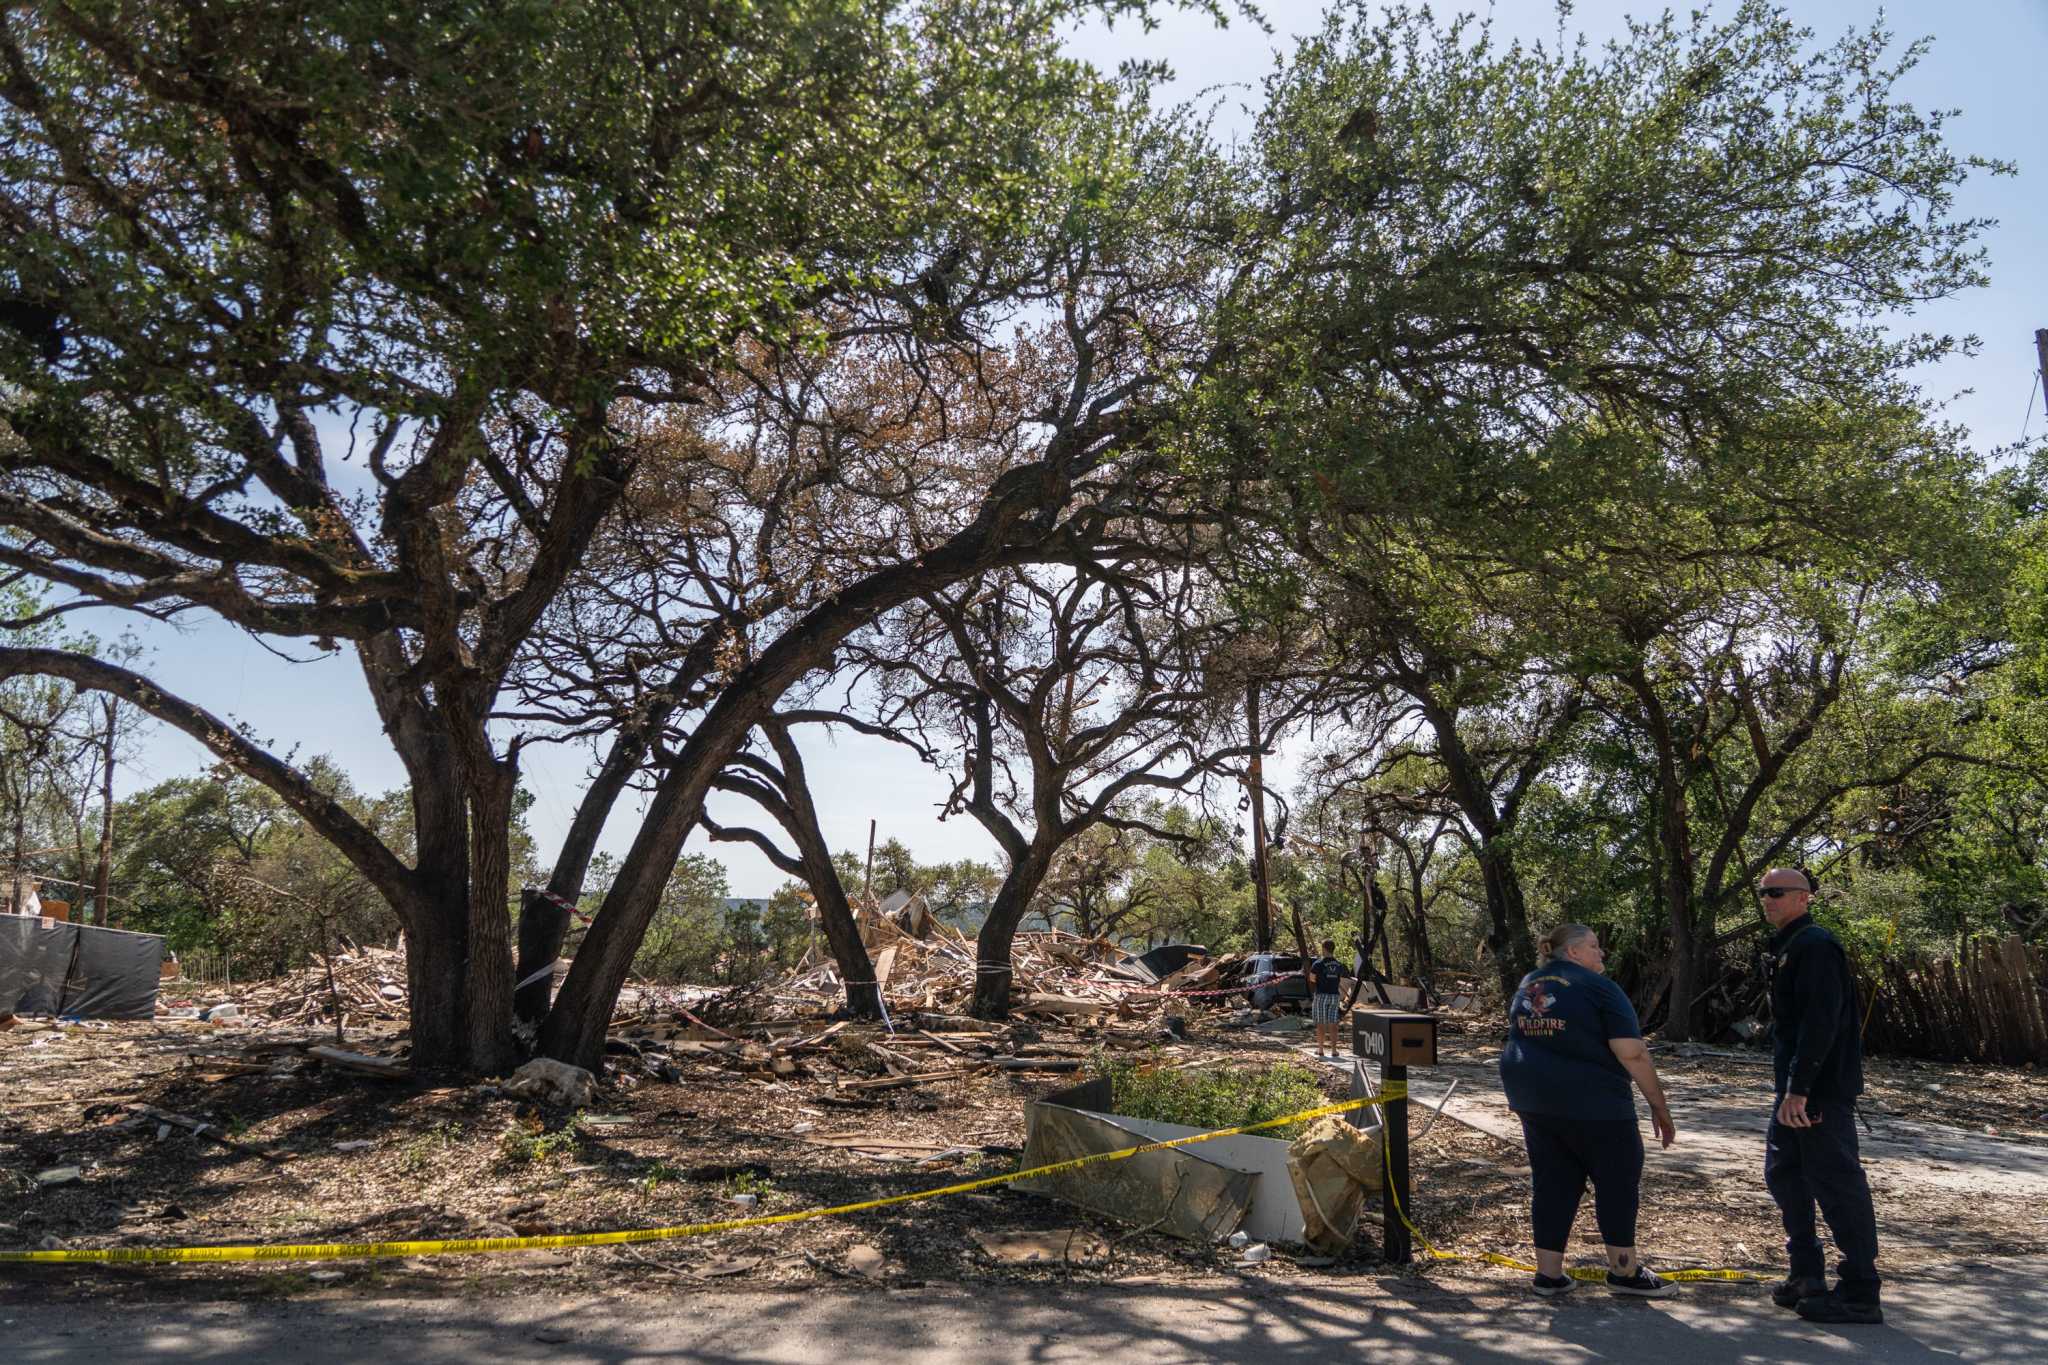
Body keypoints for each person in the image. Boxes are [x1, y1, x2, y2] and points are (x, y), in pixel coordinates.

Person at [1501, 923, 1678, 1298]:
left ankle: (1549, 1275)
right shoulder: (1600, 988)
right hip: (1595, 1104)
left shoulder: (1529, 982)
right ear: (1574, 953)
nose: (1602, 954)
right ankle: (1624, 1272)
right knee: (1617, 1179)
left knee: (1553, 1181)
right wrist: (1659, 1106)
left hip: (1533, 1101)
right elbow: (1633, 1052)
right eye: (1595, 946)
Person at [1756, 867, 1882, 1324]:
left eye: (1776, 892)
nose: (1766, 899)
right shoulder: (1786, 945)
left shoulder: (1816, 947)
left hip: (1817, 1093)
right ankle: (1806, 1274)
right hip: (1792, 1090)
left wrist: (1801, 1090)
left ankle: (1860, 1291)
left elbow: (1820, 1024)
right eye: (1763, 892)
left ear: (1804, 897)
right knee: (1785, 1173)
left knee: (1835, 1182)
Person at [1307, 938, 1345, 1058]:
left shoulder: (1318, 964)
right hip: (1334, 996)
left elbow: (1312, 978)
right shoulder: (1338, 965)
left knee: (1321, 1024)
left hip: (1321, 996)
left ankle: (1321, 1049)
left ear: (1324, 949)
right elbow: (1340, 979)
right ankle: (1334, 1051)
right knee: (1333, 1024)